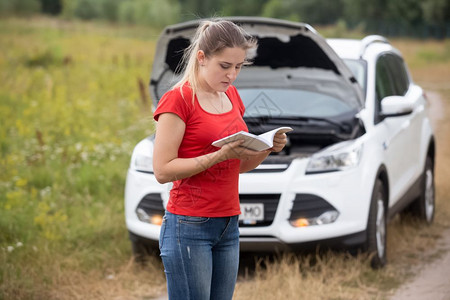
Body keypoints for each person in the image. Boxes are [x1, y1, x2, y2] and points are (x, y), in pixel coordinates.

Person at [152, 19, 288, 300]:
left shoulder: (232, 96)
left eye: (238, 67)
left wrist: (266, 149)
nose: (232, 75)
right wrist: (218, 155)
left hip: (228, 223)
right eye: (225, 66)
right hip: (188, 226)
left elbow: (237, 164)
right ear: (202, 58)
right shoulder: (178, 100)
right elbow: (163, 170)